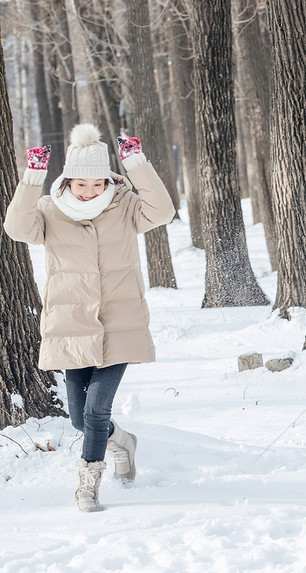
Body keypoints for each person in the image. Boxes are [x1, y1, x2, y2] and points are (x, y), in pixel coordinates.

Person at [3, 123, 175, 511]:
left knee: (97, 411)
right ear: (67, 180)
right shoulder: (49, 209)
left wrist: (136, 163)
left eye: (98, 183)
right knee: (81, 420)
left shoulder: (126, 204)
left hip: (120, 322)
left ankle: (87, 484)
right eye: (82, 184)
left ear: (107, 179)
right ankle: (123, 441)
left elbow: (163, 211)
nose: (91, 191)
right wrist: (31, 180)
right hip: (71, 326)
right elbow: (16, 228)